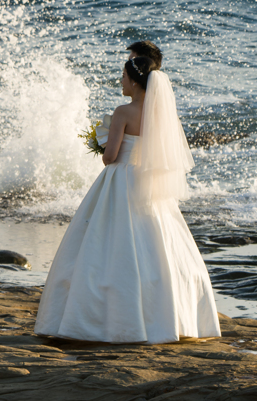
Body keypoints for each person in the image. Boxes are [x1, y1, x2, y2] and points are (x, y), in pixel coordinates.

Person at [34, 56, 220, 343]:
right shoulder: (161, 114)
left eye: (123, 76)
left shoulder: (123, 112)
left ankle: (104, 316)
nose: (120, 81)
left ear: (134, 80)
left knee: (108, 241)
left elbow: (110, 158)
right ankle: (167, 315)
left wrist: (102, 143)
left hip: (121, 180)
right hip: (149, 182)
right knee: (156, 240)